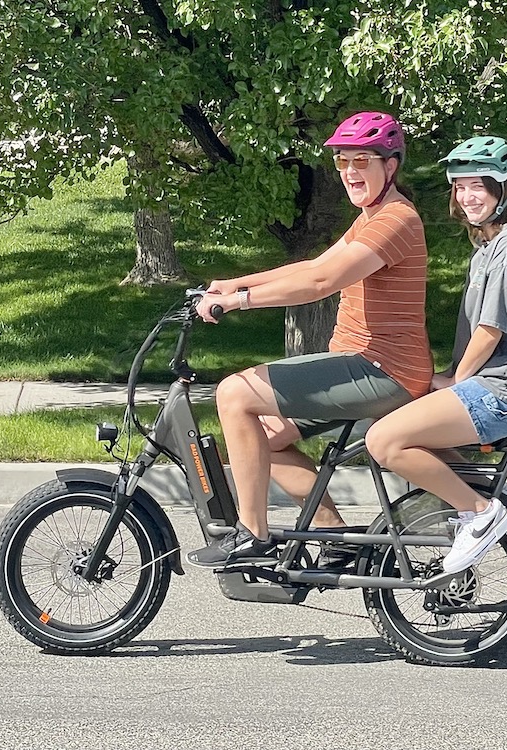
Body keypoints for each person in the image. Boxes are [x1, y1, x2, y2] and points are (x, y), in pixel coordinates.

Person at [187, 111, 433, 569]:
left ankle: (252, 535)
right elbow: (313, 265)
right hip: (362, 364)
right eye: (342, 162)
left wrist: (239, 302)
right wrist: (235, 282)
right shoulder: (373, 217)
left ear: (390, 165)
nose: (350, 172)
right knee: (262, 436)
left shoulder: (395, 220)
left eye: (362, 161)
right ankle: (334, 535)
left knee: (234, 394)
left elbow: (321, 282)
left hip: (382, 370)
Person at [365, 135, 507, 575]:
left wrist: (455, 380)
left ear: (503, 189)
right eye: (460, 186)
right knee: (397, 417)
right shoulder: (488, 246)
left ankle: (480, 513)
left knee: (384, 441)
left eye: (479, 186)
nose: (467, 196)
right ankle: (481, 507)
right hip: (498, 381)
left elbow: (490, 331)